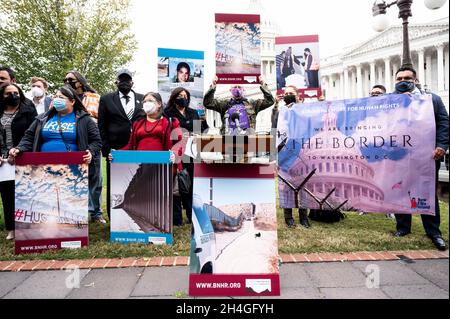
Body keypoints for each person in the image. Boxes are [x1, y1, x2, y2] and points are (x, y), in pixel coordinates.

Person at [392, 66, 449, 251]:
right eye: (399, 78)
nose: (402, 81)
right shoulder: (390, 101)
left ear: (415, 80)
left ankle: (434, 232)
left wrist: (441, 146)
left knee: (427, 192)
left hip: (428, 155)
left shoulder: (432, 99)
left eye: (407, 78)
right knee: (400, 190)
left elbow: (443, 122)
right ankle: (403, 228)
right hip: (400, 155)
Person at [9, 85, 100, 169]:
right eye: (55, 97)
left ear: (72, 101)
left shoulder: (84, 119)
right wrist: (19, 148)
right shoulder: (42, 118)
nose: (56, 99)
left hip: (72, 167)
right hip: (44, 166)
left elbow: (96, 141)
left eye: (61, 97)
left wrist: (90, 152)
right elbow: (29, 137)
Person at [98, 69, 144, 218]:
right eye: (121, 80)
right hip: (116, 149)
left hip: (138, 147)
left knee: (138, 180)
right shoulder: (106, 99)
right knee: (115, 182)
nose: (124, 83)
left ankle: (139, 210)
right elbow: (101, 126)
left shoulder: (142, 99)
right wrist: (107, 150)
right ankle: (114, 216)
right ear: (116, 82)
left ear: (132, 82)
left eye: (127, 80)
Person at [63, 71, 104, 223]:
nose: (67, 81)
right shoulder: (66, 99)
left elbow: (101, 119)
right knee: (74, 177)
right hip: (72, 143)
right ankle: (75, 212)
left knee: (95, 178)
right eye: (65, 79)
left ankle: (96, 212)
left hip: (91, 142)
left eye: (71, 79)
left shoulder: (95, 97)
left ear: (80, 81)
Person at [164, 87, 208, 226]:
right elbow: (167, 132)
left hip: (191, 153)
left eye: (185, 95)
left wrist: (198, 133)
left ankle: (191, 215)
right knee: (176, 186)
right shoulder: (167, 113)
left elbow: (200, 131)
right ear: (174, 97)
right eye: (180, 95)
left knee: (191, 185)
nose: (183, 98)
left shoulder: (193, 113)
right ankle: (176, 218)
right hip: (175, 153)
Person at [0, 83, 37, 240]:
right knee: (7, 194)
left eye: (16, 92)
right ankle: (12, 229)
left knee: (26, 194)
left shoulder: (28, 110)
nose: (13, 95)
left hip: (23, 155)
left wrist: (20, 149)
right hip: (4, 161)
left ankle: (29, 228)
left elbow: (33, 133)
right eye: (9, 93)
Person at [272, 85, 311, 229]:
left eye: (291, 93)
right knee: (285, 186)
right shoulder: (279, 112)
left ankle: (303, 217)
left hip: (301, 150)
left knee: (303, 186)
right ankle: (288, 217)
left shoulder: (305, 111)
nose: (288, 95)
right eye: (286, 93)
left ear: (298, 96)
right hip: (284, 151)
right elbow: (273, 130)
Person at [203, 76, 275, 135]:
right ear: (230, 90)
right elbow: (208, 103)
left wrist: (263, 84)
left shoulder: (252, 103)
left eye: (239, 87)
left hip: (248, 139)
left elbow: (270, 101)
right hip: (229, 140)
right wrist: (213, 86)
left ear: (243, 89)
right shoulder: (224, 104)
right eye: (235, 87)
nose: (237, 89)